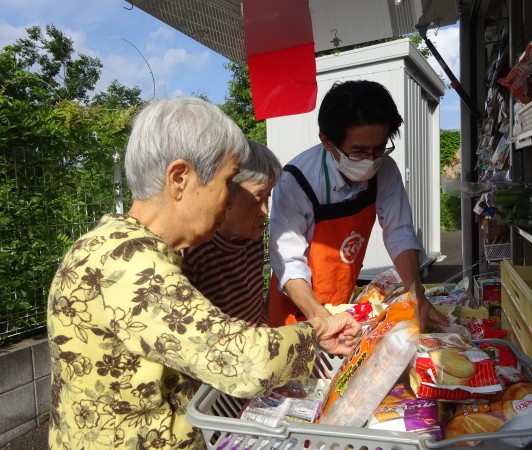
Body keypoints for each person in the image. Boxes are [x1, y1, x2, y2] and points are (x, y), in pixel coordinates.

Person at [46, 97, 362, 450]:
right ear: (180, 179)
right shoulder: (133, 267)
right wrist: (317, 330)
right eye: (227, 182)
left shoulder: (119, 245)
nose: (229, 201)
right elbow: (245, 361)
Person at [268, 80, 449, 331]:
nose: (371, 161)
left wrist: (416, 293)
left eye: (379, 148)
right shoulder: (297, 181)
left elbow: (399, 231)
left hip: (341, 297)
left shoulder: (385, 170)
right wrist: (319, 318)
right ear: (327, 141)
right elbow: (289, 262)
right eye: (359, 152)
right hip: (296, 306)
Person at [181, 140, 281, 326]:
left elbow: (256, 310)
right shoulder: (196, 251)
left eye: (268, 197)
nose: (265, 211)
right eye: (258, 197)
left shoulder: (252, 241)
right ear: (226, 193)